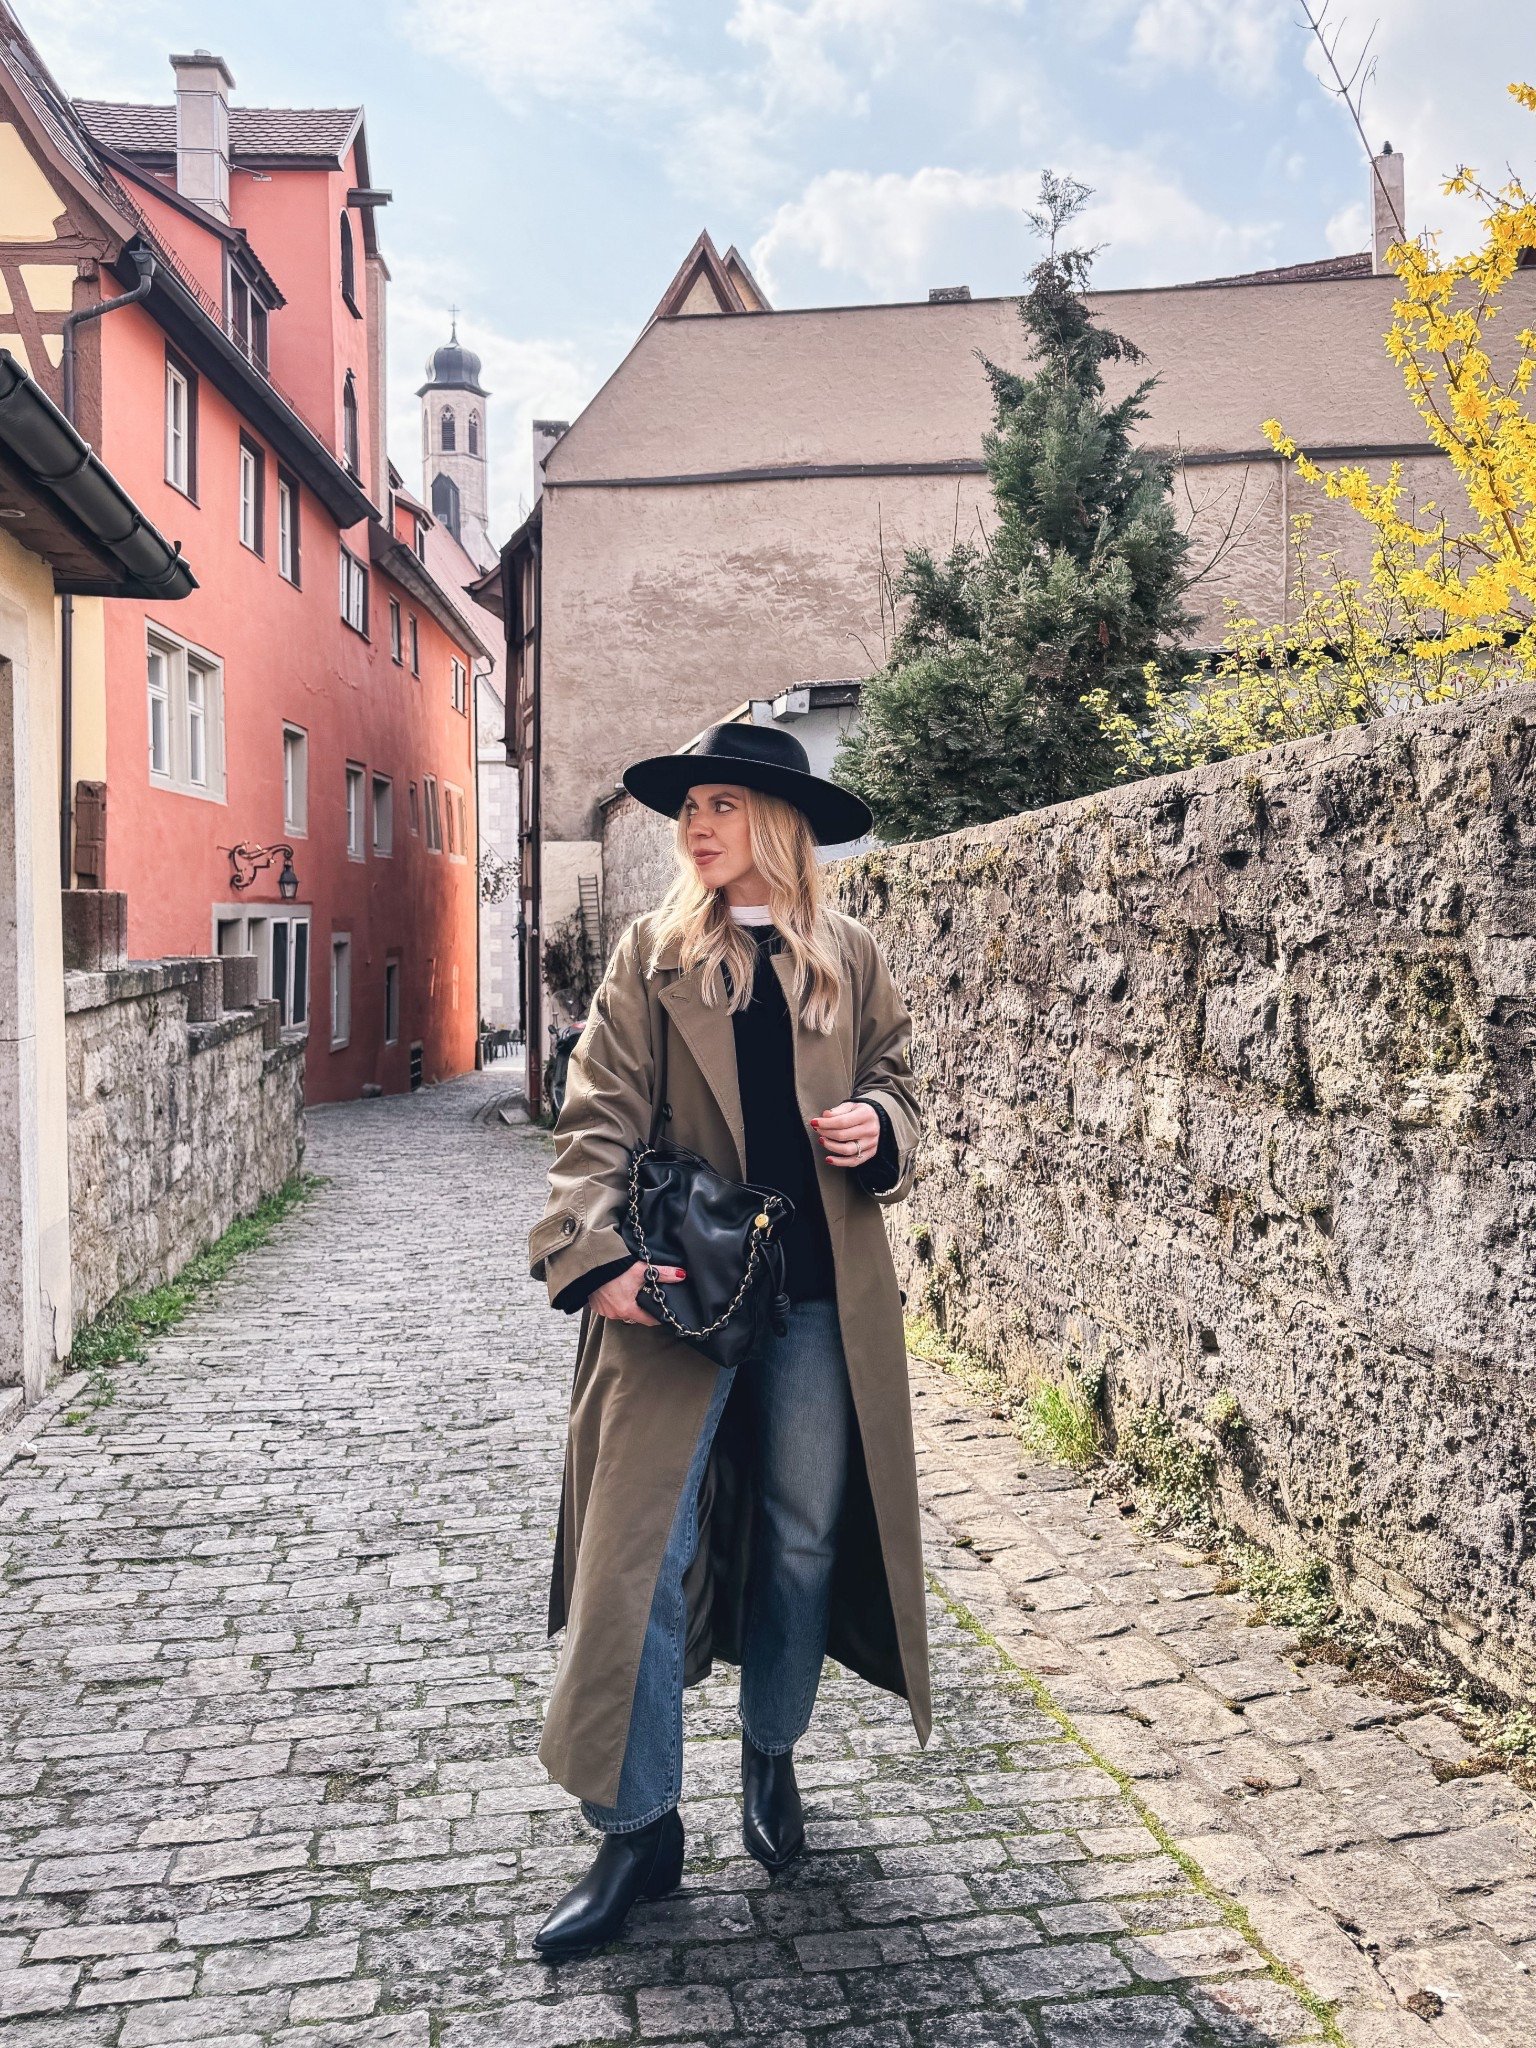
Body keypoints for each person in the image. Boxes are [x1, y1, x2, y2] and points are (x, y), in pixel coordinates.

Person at [527, 721, 929, 1960]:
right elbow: (593, 1122)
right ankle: (638, 1825)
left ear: (778, 823)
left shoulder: (847, 957)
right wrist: (590, 1257)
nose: (695, 825)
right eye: (686, 806)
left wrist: (878, 1118)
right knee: (644, 1556)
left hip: (817, 1298)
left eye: (720, 804)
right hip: (680, 1301)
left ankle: (772, 1753)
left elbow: (903, 1081)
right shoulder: (651, 958)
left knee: (804, 1541)